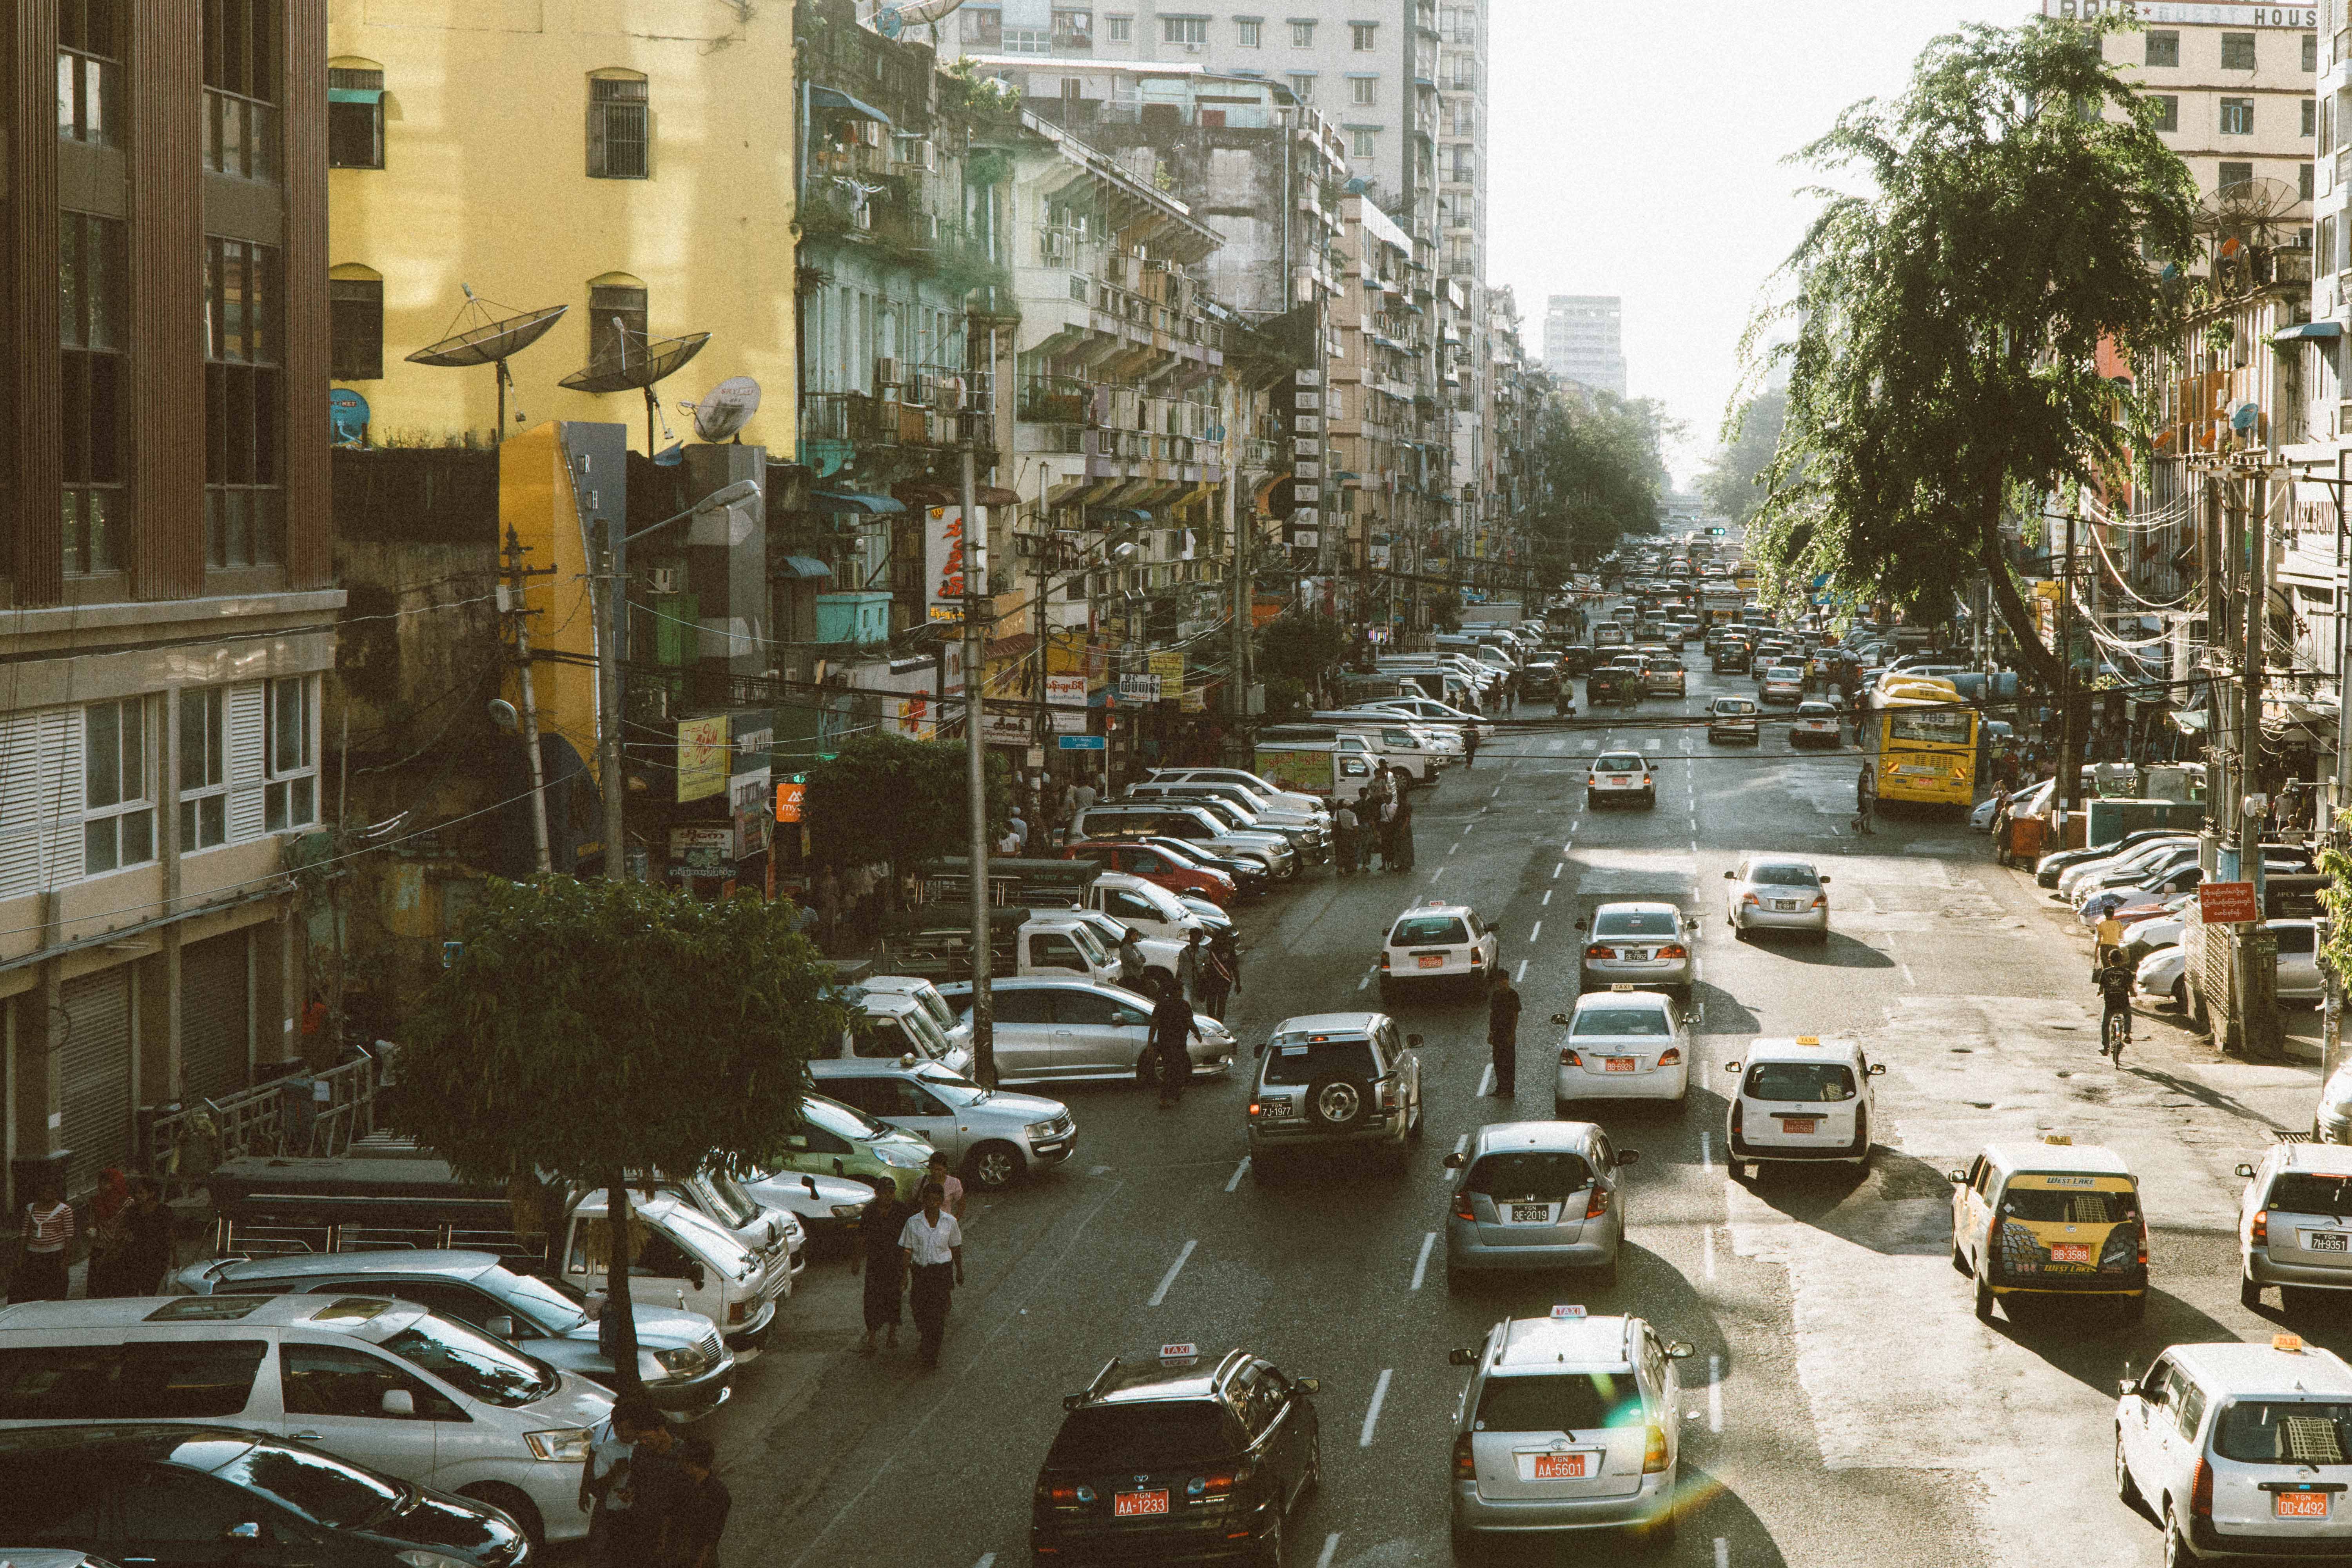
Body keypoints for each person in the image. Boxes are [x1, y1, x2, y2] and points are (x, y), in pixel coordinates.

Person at [898, 1181, 965, 1370]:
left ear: (941, 1201)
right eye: (929, 1199)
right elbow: (907, 1250)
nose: (933, 1203)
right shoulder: (913, 1222)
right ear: (924, 1200)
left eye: (937, 1200)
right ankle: (925, 1335)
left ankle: (931, 1354)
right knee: (919, 1309)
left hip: (941, 1273)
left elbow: (956, 1247)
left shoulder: (950, 1222)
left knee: (937, 1315)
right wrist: (904, 1276)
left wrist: (959, 1271)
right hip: (921, 1273)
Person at [849, 1191, 905, 1355]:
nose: (888, 1196)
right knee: (872, 1300)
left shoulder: (901, 1210)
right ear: (878, 1193)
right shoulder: (870, 1212)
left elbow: (910, 1233)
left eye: (892, 1192)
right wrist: (856, 1261)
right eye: (885, 1192)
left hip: (895, 1262)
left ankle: (892, 1334)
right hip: (875, 1263)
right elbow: (861, 1237)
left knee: (894, 1297)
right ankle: (872, 1337)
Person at [666, 1435, 731, 1568]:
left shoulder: (717, 1493)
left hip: (699, 1555)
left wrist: (701, 1562)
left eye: (682, 1459)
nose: (680, 1462)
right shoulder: (683, 1484)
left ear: (691, 1464)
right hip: (678, 1550)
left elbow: (714, 1533)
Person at [111, 1177, 175, 1297]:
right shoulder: (133, 1212)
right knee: (133, 1287)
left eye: (141, 1193)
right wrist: (113, 1251)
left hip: (157, 1256)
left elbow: (170, 1235)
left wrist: (175, 1258)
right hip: (137, 1255)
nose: (138, 1196)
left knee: (150, 1288)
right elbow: (122, 1233)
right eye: (136, 1193)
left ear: (151, 1194)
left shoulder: (163, 1211)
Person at [14, 1178, 73, 1303]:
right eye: (45, 1191)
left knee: (56, 1288)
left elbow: (69, 1234)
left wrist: (66, 1258)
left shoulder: (65, 1210)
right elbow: (25, 1233)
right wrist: (21, 1256)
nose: (48, 1194)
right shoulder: (30, 1209)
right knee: (36, 1287)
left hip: (56, 1255)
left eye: (51, 1192)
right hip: (34, 1254)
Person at [1149, 973, 1201, 1108]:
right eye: (1182, 991)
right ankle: (1170, 1096)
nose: (1183, 993)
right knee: (1179, 1069)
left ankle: (1169, 1096)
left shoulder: (1161, 1005)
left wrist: (1150, 1043)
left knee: (1169, 1070)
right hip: (1179, 1044)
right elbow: (1190, 1023)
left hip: (1165, 1044)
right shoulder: (1184, 1006)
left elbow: (1154, 1025)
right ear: (1177, 992)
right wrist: (1198, 1035)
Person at [1488, 967, 1523, 1098]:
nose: (1500, 983)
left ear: (1507, 980)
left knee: (1509, 1062)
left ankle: (1509, 1090)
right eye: (1498, 981)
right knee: (1498, 1061)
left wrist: (1512, 1033)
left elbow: (1515, 1015)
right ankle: (1500, 1087)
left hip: (1508, 1033)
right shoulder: (1496, 995)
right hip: (1497, 1033)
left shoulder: (1513, 995)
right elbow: (1492, 1014)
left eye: (1502, 980)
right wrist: (1491, 1032)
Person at [2096, 952, 2134, 1051]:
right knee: (2127, 1016)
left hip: (2110, 1003)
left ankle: (2106, 1046)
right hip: (2123, 1002)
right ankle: (2127, 1034)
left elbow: (2101, 988)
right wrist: (2134, 994)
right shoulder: (2127, 973)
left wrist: (2099, 992)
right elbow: (2130, 988)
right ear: (2122, 960)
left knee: (2105, 1024)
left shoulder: (2105, 972)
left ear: (2110, 960)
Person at [1195, 930, 1234, 1021]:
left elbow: (1234, 966)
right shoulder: (1209, 951)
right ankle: (1214, 1020)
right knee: (1210, 1006)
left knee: (1221, 1006)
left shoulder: (1229, 950)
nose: (1222, 941)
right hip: (1211, 982)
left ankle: (1219, 1024)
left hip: (1225, 982)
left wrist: (1238, 982)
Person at [925, 1151, 967, 1221]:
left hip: (945, 1223)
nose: (936, 1172)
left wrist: (954, 1222)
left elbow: (962, 1205)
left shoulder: (954, 1183)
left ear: (945, 1169)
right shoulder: (921, 1182)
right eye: (933, 1169)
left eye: (939, 1170)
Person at [1389, 787, 1418, 873]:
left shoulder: (1407, 806)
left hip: (1404, 829)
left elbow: (1407, 819)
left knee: (1406, 847)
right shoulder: (1400, 805)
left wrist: (1403, 829)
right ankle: (1401, 864)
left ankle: (1407, 865)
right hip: (1399, 828)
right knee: (1399, 847)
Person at [1333, 800, 1359, 877]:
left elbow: (1334, 824)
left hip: (1340, 835)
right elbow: (1356, 827)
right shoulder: (1353, 815)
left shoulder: (1337, 813)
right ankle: (1348, 869)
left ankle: (1340, 868)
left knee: (1340, 851)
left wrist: (1334, 835)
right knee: (1349, 851)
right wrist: (1356, 837)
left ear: (1344, 805)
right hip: (1349, 835)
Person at [1118, 927, 1149, 992]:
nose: (1136, 937)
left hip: (1138, 975)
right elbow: (1137, 963)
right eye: (1134, 936)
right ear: (1129, 937)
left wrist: (1140, 960)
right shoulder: (1126, 948)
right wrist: (1141, 960)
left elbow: (1143, 957)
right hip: (1132, 977)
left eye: (1137, 935)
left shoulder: (1134, 946)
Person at [1853, 761, 1877, 836]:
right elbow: (1864, 788)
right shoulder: (1865, 777)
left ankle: (1867, 829)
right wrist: (1873, 794)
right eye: (1871, 767)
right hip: (1867, 797)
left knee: (1868, 814)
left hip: (1869, 797)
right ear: (1867, 768)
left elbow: (1871, 784)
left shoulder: (1869, 776)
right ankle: (1857, 822)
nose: (1872, 768)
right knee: (1870, 813)